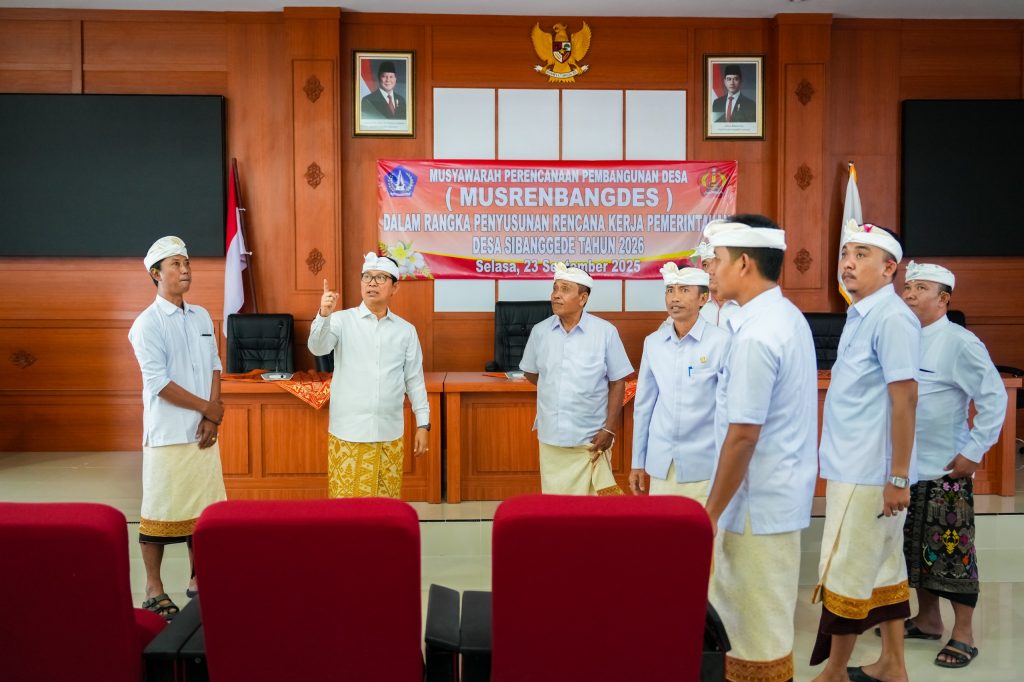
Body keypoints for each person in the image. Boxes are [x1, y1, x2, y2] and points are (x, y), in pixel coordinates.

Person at [700, 216, 818, 682]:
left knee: (754, 638)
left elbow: (744, 435)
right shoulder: (779, 316)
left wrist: (708, 514)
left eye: (717, 261)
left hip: (756, 508)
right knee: (756, 629)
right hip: (770, 501)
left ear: (745, 263)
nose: (709, 270)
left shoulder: (757, 334)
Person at [811, 221, 921, 682]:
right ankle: (893, 664)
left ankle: (834, 672)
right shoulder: (862, 315)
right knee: (883, 567)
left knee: (845, 570)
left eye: (861, 255)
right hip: (855, 466)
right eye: (845, 254)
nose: (848, 263)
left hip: (868, 472)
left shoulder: (891, 318)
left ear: (889, 267)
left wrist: (897, 476)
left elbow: (906, 397)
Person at [894, 261, 1004, 669]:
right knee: (915, 551)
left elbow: (994, 397)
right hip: (905, 468)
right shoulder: (900, 338)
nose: (909, 294)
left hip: (946, 468)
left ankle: (964, 633)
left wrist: (975, 449)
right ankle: (926, 619)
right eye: (907, 287)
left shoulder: (960, 342)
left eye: (920, 288)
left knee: (952, 554)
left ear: (943, 299)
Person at [128, 236, 227, 621]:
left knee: (203, 514)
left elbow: (215, 364)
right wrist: (210, 409)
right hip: (167, 435)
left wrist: (209, 416)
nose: (185, 270)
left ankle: (198, 581)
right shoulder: (146, 324)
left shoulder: (201, 315)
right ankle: (153, 588)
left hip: (202, 433)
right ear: (156, 274)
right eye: (175, 265)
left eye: (186, 263)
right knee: (159, 512)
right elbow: (159, 383)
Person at [308, 252, 429, 499]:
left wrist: (423, 424)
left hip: (389, 434)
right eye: (367, 277)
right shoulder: (341, 320)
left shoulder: (406, 331)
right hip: (350, 434)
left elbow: (414, 380)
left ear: (395, 287)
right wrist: (323, 314)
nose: (372, 283)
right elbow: (317, 348)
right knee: (348, 514)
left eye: (380, 278)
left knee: (386, 511)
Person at [520, 263, 633, 495]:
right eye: (554, 288)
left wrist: (609, 430)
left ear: (582, 298)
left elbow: (617, 382)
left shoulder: (605, 332)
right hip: (552, 437)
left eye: (564, 289)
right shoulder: (540, 332)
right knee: (557, 509)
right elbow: (532, 374)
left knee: (593, 514)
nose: (556, 295)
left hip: (591, 439)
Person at [628, 263, 729, 504]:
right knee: (662, 537)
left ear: (703, 298)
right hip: (662, 462)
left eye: (684, 290)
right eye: (670, 290)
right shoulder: (653, 343)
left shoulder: (721, 342)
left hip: (705, 464)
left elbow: (728, 410)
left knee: (703, 538)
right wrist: (637, 462)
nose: (674, 298)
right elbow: (643, 407)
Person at [696, 239, 740, 328]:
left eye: (716, 263)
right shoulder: (695, 303)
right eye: (705, 265)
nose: (709, 271)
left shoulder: (745, 304)